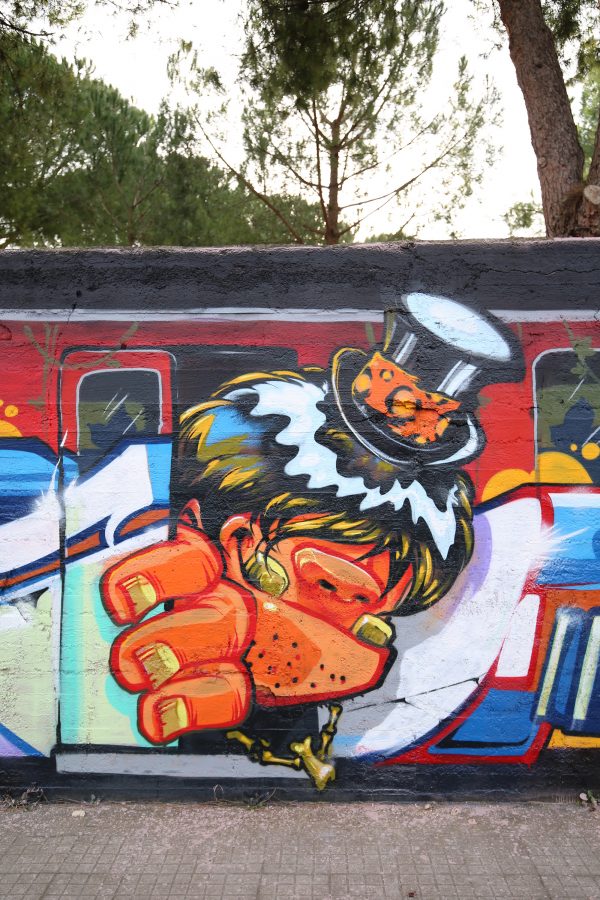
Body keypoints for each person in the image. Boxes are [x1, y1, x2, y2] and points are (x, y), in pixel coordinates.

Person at [101, 293, 523, 787]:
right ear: (233, 536)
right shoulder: (261, 463)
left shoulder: (417, 541)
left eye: (367, 599)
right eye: (325, 581)